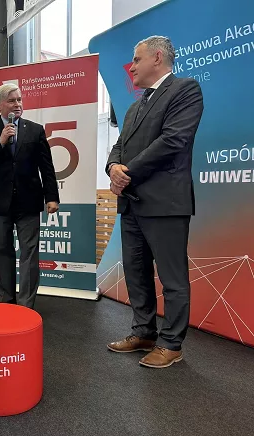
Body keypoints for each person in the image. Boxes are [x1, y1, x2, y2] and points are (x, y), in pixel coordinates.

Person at [105, 36, 204, 369]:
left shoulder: (185, 90)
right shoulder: (136, 106)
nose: (131, 67)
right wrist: (112, 167)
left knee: (172, 279)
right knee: (136, 273)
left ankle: (171, 344)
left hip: (165, 203)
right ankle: (143, 333)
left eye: (136, 59)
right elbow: (119, 146)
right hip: (132, 204)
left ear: (157, 57)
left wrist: (127, 173)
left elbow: (173, 140)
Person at [0, 83, 59, 309]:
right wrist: (0, 142)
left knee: (29, 253)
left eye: (19, 99)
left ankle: (26, 305)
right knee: (3, 251)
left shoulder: (35, 130)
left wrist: (52, 197)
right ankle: (6, 302)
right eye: (12, 100)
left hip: (29, 200)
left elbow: (46, 167)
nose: (17, 104)